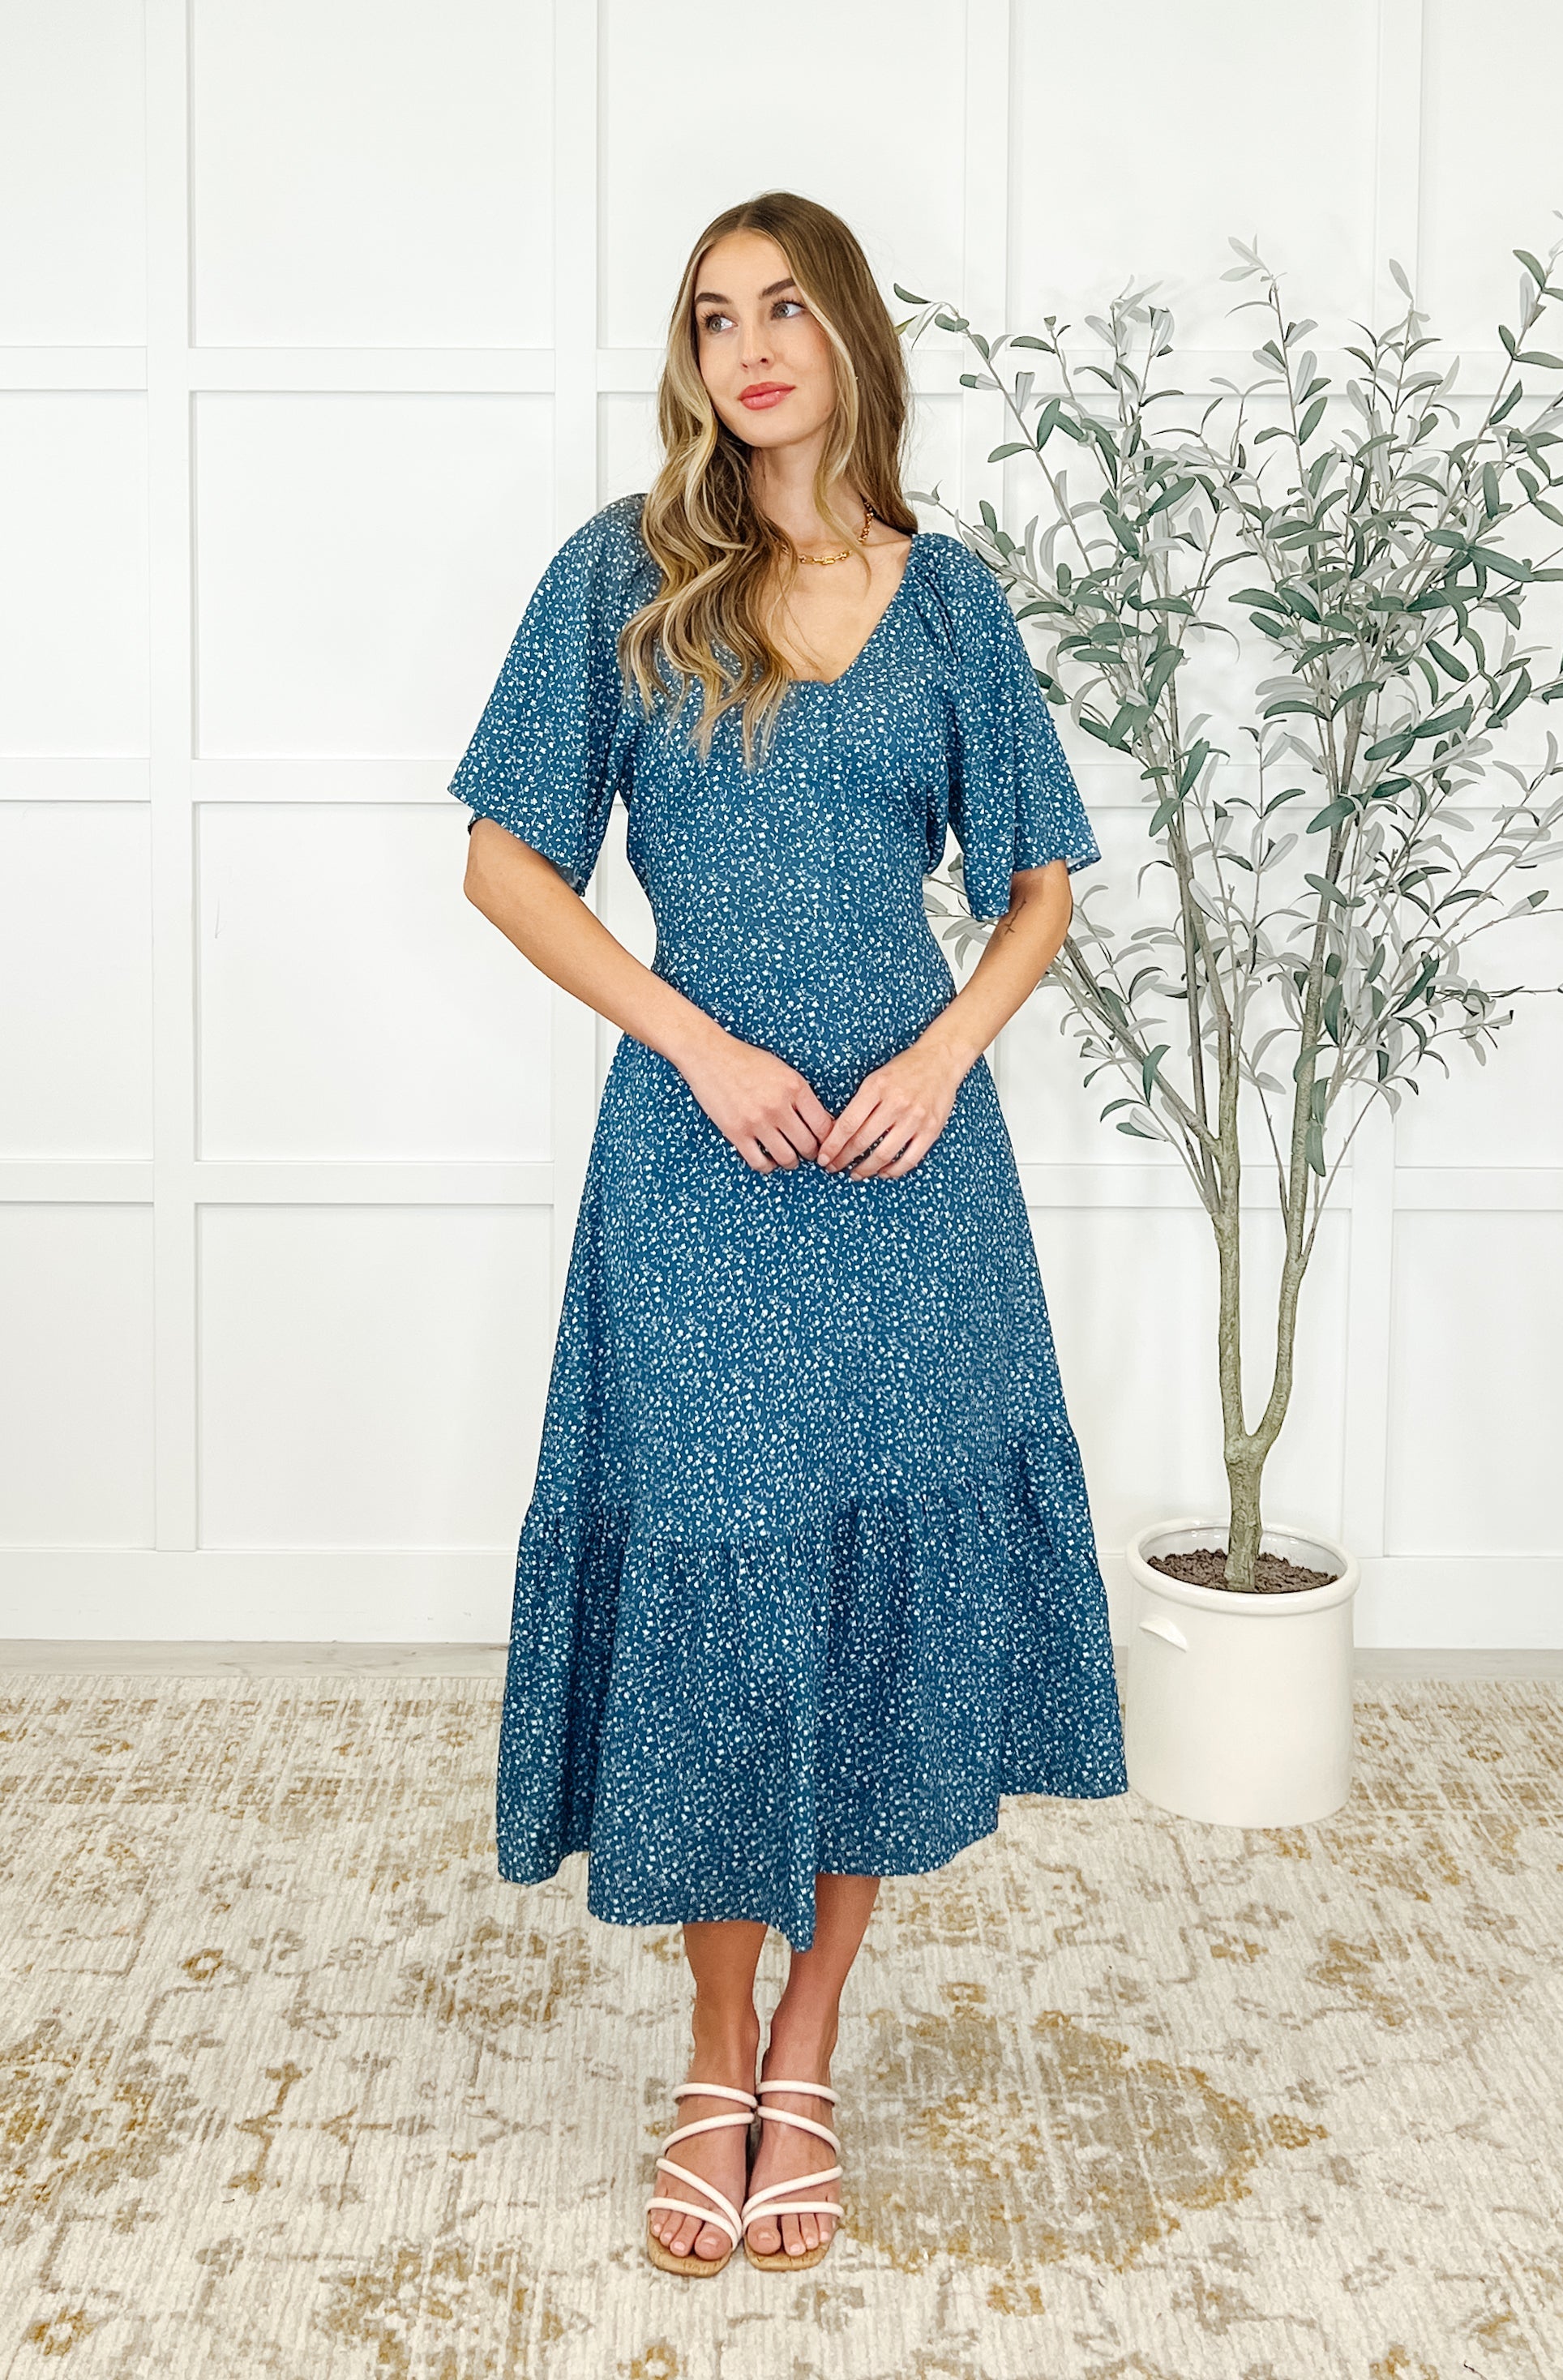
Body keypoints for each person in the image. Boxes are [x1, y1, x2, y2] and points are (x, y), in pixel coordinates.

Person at [448, 189, 1127, 2279]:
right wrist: (694, 1038)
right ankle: (710, 2050)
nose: (748, 346)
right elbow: (506, 863)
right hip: (699, 1161)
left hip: (911, 1178)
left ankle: (809, 2052)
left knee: (876, 1596)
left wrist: (942, 1058)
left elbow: (1040, 884)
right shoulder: (626, 581)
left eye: (784, 308)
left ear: (847, 340)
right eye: (712, 314)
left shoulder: (955, 607)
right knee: (721, 1591)